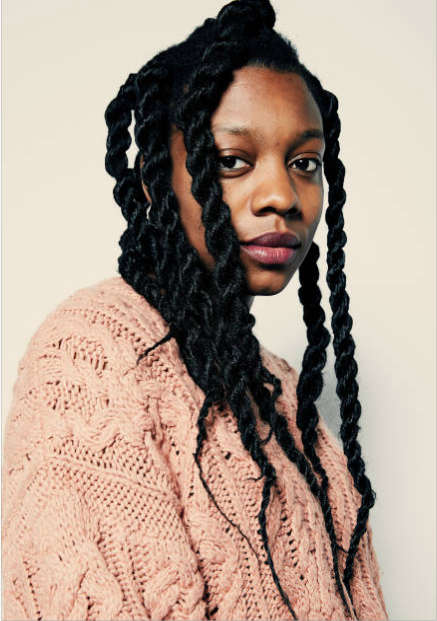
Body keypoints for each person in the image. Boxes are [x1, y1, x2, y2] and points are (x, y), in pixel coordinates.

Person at [1, 0, 389, 619]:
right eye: (232, 161)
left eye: (304, 163)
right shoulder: (91, 358)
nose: (281, 196)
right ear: (156, 180)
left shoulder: (286, 395)